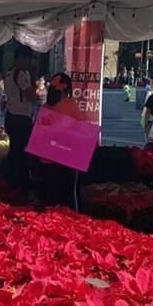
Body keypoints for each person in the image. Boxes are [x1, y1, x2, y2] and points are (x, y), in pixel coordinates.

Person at [37, 72, 86, 211]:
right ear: (67, 89)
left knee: (50, 195)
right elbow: (81, 128)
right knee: (68, 195)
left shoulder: (45, 107)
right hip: (67, 157)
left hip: (47, 157)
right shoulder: (71, 105)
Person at [2, 55, 36, 190]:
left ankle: (10, 179)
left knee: (14, 150)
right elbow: (32, 95)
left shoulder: (9, 73)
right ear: (21, 59)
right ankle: (20, 181)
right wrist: (33, 77)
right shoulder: (20, 74)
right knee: (21, 151)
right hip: (21, 117)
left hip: (11, 114)